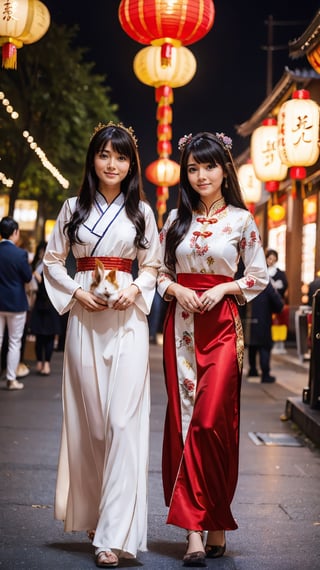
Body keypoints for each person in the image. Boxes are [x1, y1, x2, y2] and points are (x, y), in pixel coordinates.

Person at [43, 122, 161, 568]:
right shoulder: (72, 207)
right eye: (105, 155)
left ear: (132, 165)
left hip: (128, 320)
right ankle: (94, 514)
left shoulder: (142, 213)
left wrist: (137, 289)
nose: (112, 164)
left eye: (122, 157)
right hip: (85, 319)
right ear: (93, 160)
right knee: (92, 424)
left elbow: (153, 266)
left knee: (122, 423)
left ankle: (113, 533)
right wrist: (76, 291)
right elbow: (53, 260)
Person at [157, 131, 269, 566]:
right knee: (186, 420)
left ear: (225, 169)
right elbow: (158, 273)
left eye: (209, 166)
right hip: (182, 325)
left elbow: (256, 276)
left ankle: (216, 515)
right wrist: (174, 290)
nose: (201, 175)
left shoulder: (242, 220)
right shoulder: (174, 220)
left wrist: (225, 285)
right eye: (192, 168)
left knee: (212, 422)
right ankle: (196, 532)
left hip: (222, 326)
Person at [0, 216, 32, 390]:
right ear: (15, 232)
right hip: (16, 303)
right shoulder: (20, 254)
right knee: (14, 341)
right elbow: (27, 277)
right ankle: (11, 380)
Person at [29, 240, 61, 375]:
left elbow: (48, 285)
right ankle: (39, 363)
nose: (43, 253)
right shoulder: (37, 265)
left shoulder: (52, 266)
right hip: (39, 305)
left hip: (49, 304)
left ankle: (46, 364)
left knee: (48, 336)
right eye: (41, 251)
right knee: (39, 336)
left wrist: (37, 277)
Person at [245, 281, 284, 383]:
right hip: (263, 320)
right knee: (264, 346)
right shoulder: (265, 284)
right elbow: (278, 304)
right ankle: (265, 374)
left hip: (248, 321)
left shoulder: (248, 282)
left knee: (252, 345)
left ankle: (253, 370)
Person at [265, 248, 288, 354]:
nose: (271, 261)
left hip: (276, 302)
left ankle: (280, 343)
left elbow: (285, 285)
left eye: (273, 259)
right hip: (266, 304)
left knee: (279, 323)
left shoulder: (280, 273)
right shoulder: (263, 272)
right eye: (269, 259)